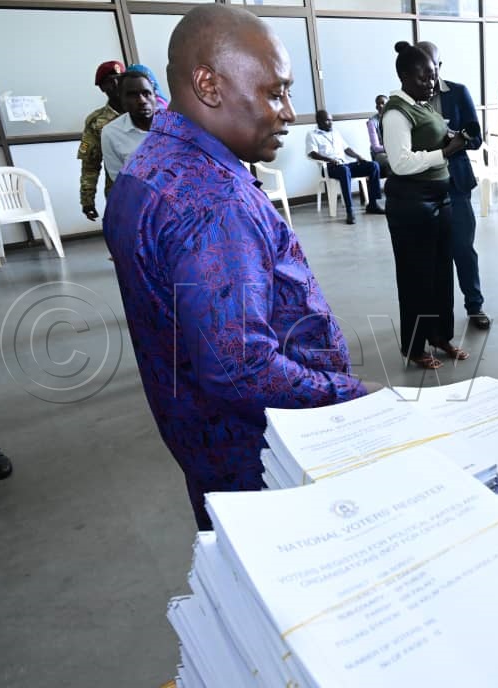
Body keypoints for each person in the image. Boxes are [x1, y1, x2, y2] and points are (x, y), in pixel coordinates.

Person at [102, 5, 377, 529]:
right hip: (264, 453)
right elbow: (241, 368)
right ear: (208, 84)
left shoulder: (148, 166)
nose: (290, 112)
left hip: (200, 432)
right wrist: (353, 397)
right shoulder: (213, 201)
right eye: (274, 92)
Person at [382, 41, 470, 369]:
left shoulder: (424, 104)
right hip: (412, 204)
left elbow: (432, 137)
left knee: (440, 272)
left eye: (433, 76)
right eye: (422, 78)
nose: (430, 84)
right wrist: (446, 151)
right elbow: (401, 163)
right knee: (416, 276)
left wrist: (451, 138)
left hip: (440, 197)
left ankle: (440, 336)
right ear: (404, 75)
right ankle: (415, 347)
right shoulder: (396, 111)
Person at [415, 41, 491, 331]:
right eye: (420, 69)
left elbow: (476, 138)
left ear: (439, 67)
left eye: (431, 68)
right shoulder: (408, 100)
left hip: (456, 183)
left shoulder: (458, 92)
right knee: (431, 254)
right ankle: (437, 316)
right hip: (423, 185)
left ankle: (475, 306)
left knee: (462, 247)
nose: (427, 76)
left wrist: (456, 138)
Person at [306, 109, 385, 225]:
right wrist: (330, 160)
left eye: (331, 120)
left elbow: (346, 148)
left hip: (344, 164)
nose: (331, 123)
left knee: (373, 166)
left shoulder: (335, 132)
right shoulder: (312, 135)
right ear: (319, 121)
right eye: (327, 121)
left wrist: (358, 156)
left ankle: (372, 204)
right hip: (329, 168)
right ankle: (350, 210)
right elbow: (312, 153)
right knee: (344, 170)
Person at [78, 60, 124, 222]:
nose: (117, 84)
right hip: (119, 190)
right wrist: (87, 200)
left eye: (120, 78)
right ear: (102, 87)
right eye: (111, 81)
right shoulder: (96, 122)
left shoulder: (145, 110)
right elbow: (90, 163)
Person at [101, 70, 158, 182]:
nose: (142, 100)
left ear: (154, 95)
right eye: (132, 95)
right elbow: (120, 180)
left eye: (146, 93)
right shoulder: (111, 133)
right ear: (121, 99)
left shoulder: (175, 124)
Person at [366, 95, 391, 177]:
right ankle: (394, 188)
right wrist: (393, 148)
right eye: (378, 104)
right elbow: (376, 147)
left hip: (395, 150)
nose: (380, 106)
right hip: (380, 154)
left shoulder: (395, 118)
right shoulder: (372, 122)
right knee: (390, 161)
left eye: (383, 103)